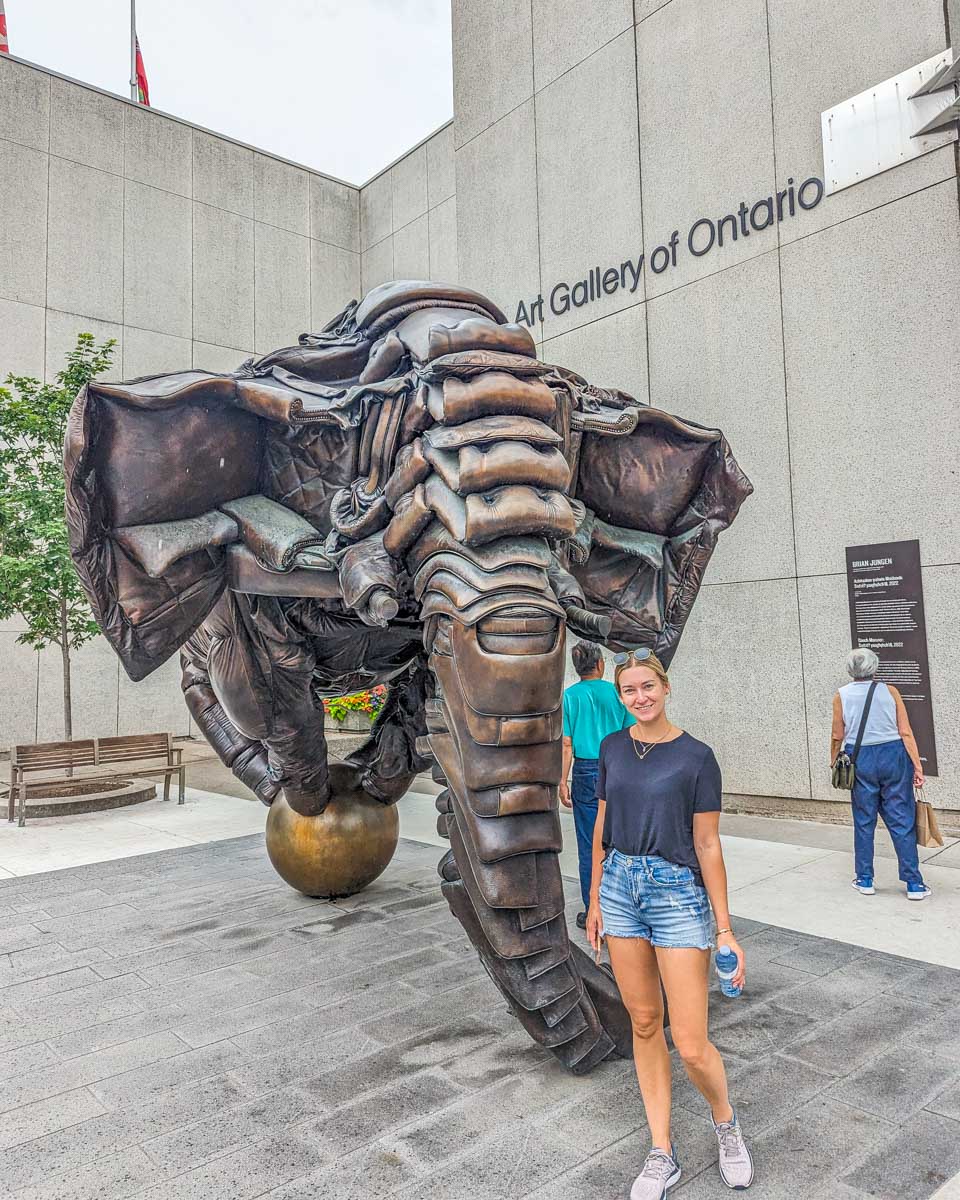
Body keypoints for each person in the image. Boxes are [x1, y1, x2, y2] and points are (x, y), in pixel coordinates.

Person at [586, 648, 753, 1197]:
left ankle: (724, 1121)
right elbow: (601, 830)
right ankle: (662, 1151)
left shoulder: (697, 757)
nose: (640, 697)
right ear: (621, 696)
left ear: (666, 685)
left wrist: (724, 928)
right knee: (642, 1022)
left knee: (691, 1039)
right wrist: (594, 900)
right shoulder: (612, 748)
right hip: (620, 891)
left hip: (677, 895)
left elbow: (707, 844)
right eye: (629, 690)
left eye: (647, 686)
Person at [832, 648, 930, 900]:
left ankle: (865, 879)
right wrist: (917, 766)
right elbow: (905, 731)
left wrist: (834, 762)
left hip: (859, 758)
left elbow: (837, 735)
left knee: (864, 821)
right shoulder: (890, 691)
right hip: (894, 755)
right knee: (901, 819)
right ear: (874, 668)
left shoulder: (841, 695)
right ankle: (914, 883)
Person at [560, 641, 634, 930]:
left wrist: (561, 781)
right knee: (621, 837)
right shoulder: (616, 694)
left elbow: (567, 744)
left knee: (589, 841)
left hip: (585, 771)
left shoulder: (569, 697)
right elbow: (630, 734)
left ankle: (593, 909)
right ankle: (624, 905)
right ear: (601, 664)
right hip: (618, 766)